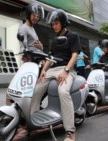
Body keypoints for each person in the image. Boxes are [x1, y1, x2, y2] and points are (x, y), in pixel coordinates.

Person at [30, 9, 80, 141]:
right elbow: (50, 57)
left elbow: (75, 55)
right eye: (52, 24)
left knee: (63, 91)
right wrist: (43, 71)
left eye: (56, 23)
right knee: (36, 90)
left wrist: (66, 71)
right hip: (52, 69)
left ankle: (70, 132)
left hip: (66, 68)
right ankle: (33, 120)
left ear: (63, 23)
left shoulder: (73, 36)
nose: (54, 26)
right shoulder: (55, 40)